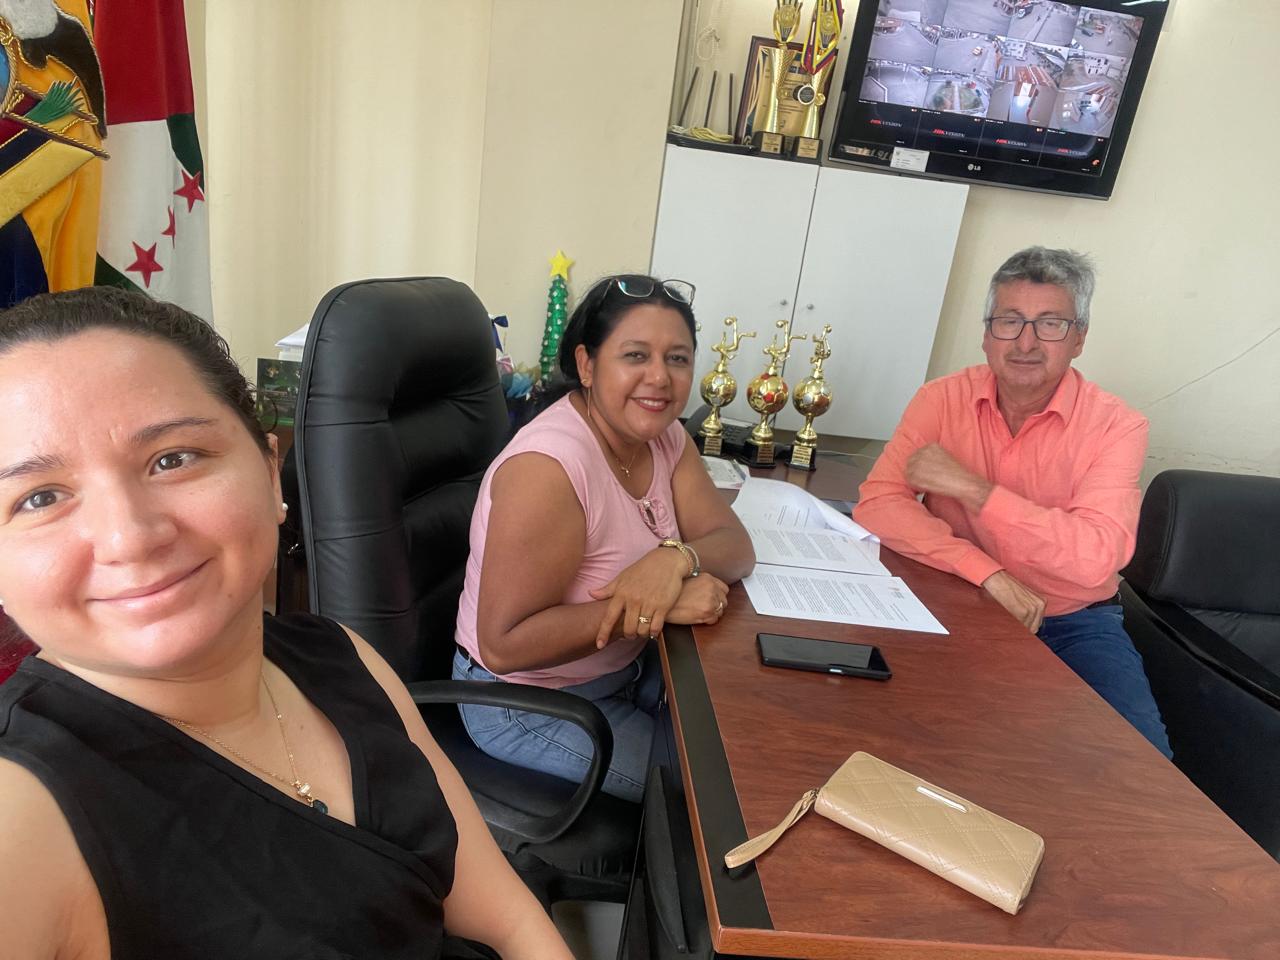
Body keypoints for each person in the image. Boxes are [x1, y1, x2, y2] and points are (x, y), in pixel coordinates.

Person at [0, 286, 573, 960]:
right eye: (39, 497)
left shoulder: (339, 655)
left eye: (173, 458)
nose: (130, 537)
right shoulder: (22, 816)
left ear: (272, 474)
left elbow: (508, 920)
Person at [853, 247, 1172, 758]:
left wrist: (975, 490)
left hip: (1073, 621)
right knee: (899, 736)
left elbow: (1095, 557)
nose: (1026, 342)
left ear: (1079, 338)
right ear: (987, 334)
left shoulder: (1117, 426)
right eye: (1010, 321)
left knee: (1138, 765)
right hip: (954, 598)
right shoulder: (941, 399)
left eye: (1050, 324)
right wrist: (987, 573)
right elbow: (878, 502)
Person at [453, 274, 755, 802]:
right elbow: (503, 647)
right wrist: (656, 607)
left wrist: (674, 560)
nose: (659, 378)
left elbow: (734, 544)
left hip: (626, 669)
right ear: (587, 365)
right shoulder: (549, 469)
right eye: (635, 355)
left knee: (755, 736)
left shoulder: (664, 437)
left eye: (678, 358)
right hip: (526, 702)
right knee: (716, 800)